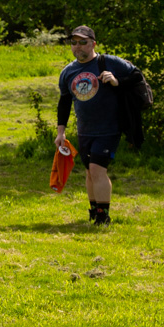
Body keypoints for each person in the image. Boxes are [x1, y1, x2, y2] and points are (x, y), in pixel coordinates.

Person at [54, 25, 140, 225]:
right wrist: (61, 132)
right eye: (74, 43)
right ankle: (94, 210)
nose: (78, 47)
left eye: (83, 42)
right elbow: (64, 102)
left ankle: (103, 216)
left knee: (97, 170)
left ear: (93, 43)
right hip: (85, 130)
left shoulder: (108, 62)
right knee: (89, 172)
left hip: (109, 128)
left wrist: (117, 81)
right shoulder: (68, 72)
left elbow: (137, 77)